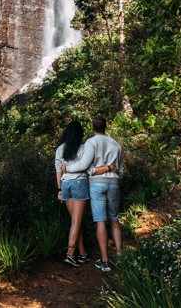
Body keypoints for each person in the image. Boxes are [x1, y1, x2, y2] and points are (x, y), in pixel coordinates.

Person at [63, 115, 122, 272]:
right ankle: (121, 256)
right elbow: (120, 169)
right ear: (106, 126)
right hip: (114, 183)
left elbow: (84, 165)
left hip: (96, 184)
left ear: (92, 127)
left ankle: (105, 261)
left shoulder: (91, 142)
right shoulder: (115, 144)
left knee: (101, 221)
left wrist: (68, 169)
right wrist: (111, 170)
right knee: (114, 220)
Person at [54, 120, 89, 267]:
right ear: (80, 133)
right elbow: (86, 167)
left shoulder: (60, 149)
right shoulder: (83, 148)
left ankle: (82, 253)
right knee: (76, 221)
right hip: (79, 184)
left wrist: (60, 189)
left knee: (76, 221)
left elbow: (58, 170)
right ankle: (69, 255)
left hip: (66, 185)